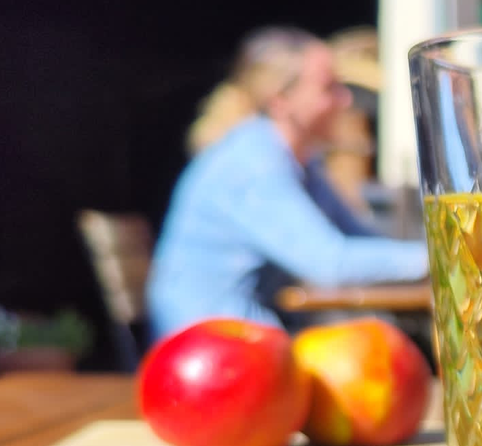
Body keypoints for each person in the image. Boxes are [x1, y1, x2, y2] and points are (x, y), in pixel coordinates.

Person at [147, 27, 428, 340]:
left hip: (246, 333)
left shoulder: (302, 164)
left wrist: (422, 257)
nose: (346, 98)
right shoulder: (253, 162)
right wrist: (440, 259)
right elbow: (329, 263)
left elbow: (357, 238)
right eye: (328, 87)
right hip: (209, 344)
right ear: (280, 100)